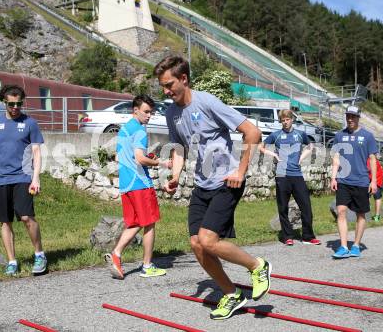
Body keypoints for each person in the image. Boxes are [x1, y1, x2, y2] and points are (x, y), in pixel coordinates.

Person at [153, 56, 271, 320]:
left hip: (227, 182)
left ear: (183, 79)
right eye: (162, 86)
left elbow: (252, 132)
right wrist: (174, 176)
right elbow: (180, 148)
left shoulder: (207, 102)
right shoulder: (172, 113)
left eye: (169, 84)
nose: (166, 91)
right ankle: (232, 295)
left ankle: (258, 266)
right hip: (202, 184)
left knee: (209, 240)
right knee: (196, 244)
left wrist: (240, 171)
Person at [0, 84, 47, 275]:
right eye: (11, 104)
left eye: (19, 104)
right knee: (4, 222)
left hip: (23, 177)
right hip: (1, 180)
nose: (15, 107)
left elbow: (36, 152)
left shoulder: (30, 123)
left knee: (26, 217)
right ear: (4, 102)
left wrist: (36, 178)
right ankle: (12, 261)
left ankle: (39, 255)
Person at [105, 94, 169, 279]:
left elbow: (120, 157)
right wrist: (162, 163)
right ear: (136, 110)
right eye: (146, 112)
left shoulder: (124, 130)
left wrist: (145, 157)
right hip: (140, 183)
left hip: (126, 184)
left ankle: (116, 254)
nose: (149, 116)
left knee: (135, 223)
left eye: (152, 112)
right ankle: (147, 266)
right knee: (149, 223)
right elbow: (140, 159)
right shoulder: (140, 131)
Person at [259, 109, 320, 246]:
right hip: (282, 176)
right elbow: (261, 147)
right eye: (282, 120)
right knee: (283, 208)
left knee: (306, 206)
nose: (285, 122)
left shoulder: (300, 134)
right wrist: (273, 155)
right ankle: (287, 236)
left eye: (287, 119)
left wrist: (301, 158)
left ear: (292, 119)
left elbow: (310, 146)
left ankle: (308, 236)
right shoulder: (276, 135)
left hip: (297, 175)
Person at [330, 105, 378, 259]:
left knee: (360, 214)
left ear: (358, 118)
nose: (350, 119)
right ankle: (343, 247)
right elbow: (336, 157)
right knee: (341, 211)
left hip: (361, 181)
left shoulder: (368, 136)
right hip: (343, 180)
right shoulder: (339, 136)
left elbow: (372, 159)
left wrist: (374, 181)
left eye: (353, 116)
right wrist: (333, 177)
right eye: (348, 116)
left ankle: (356, 245)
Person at [367, 156, 383, 221]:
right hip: (377, 179)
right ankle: (376, 216)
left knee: (370, 196)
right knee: (377, 197)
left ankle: (371, 215)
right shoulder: (373, 159)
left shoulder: (368, 160)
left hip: (375, 179)